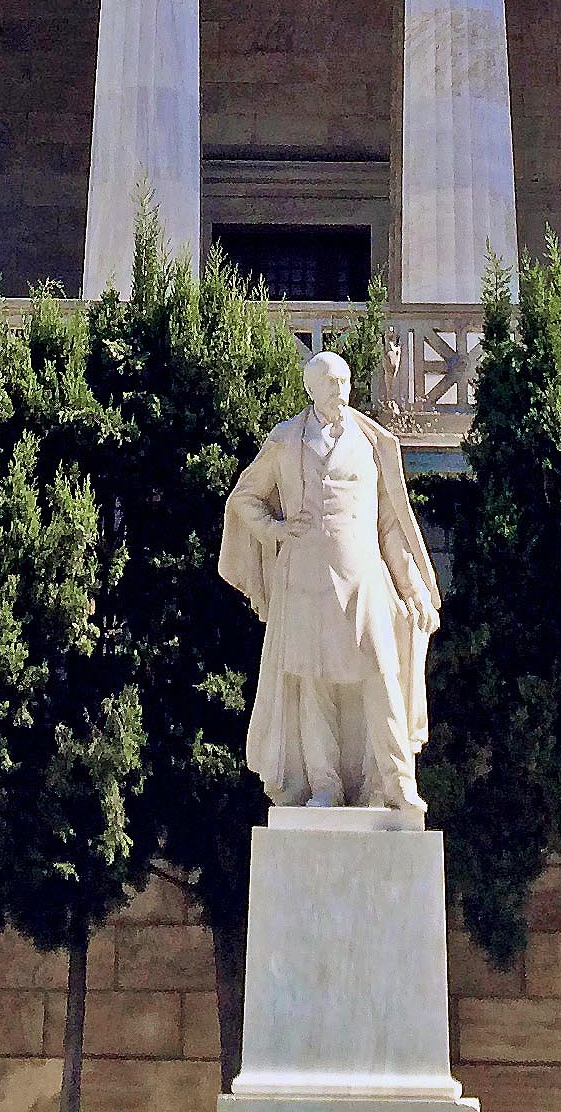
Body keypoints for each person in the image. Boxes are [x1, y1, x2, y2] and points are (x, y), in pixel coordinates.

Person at [219, 348, 442, 818]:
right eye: (331, 383)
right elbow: (245, 496)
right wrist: (275, 531)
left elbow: (389, 524)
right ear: (311, 389)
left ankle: (398, 781)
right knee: (311, 684)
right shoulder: (286, 441)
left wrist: (414, 587)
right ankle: (323, 786)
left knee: (382, 676)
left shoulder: (371, 442)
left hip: (365, 578)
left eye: (344, 382)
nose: (341, 391)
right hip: (304, 579)